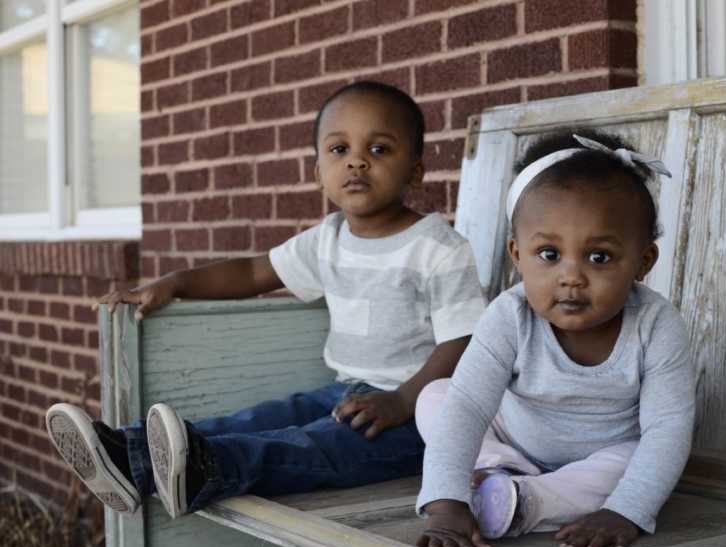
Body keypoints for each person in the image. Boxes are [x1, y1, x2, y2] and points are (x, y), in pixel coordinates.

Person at [45, 81, 486, 520]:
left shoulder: (438, 248)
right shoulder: (328, 239)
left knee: (312, 444)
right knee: (267, 416)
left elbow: (463, 341)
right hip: (345, 392)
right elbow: (253, 272)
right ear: (318, 172)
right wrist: (176, 282)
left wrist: (404, 401)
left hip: (420, 420)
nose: (357, 160)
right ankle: (127, 454)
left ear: (415, 170)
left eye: (380, 149)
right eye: (338, 149)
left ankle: (208, 469)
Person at [414, 130, 695, 547]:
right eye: (548, 254)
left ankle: (528, 503)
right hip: (513, 437)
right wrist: (444, 502)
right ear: (517, 253)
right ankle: (495, 470)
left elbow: (667, 428)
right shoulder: (510, 315)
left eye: (598, 257)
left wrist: (627, 511)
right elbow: (468, 407)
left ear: (643, 262)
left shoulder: (656, 325)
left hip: (600, 456)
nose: (571, 276)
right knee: (436, 398)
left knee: (638, 458)